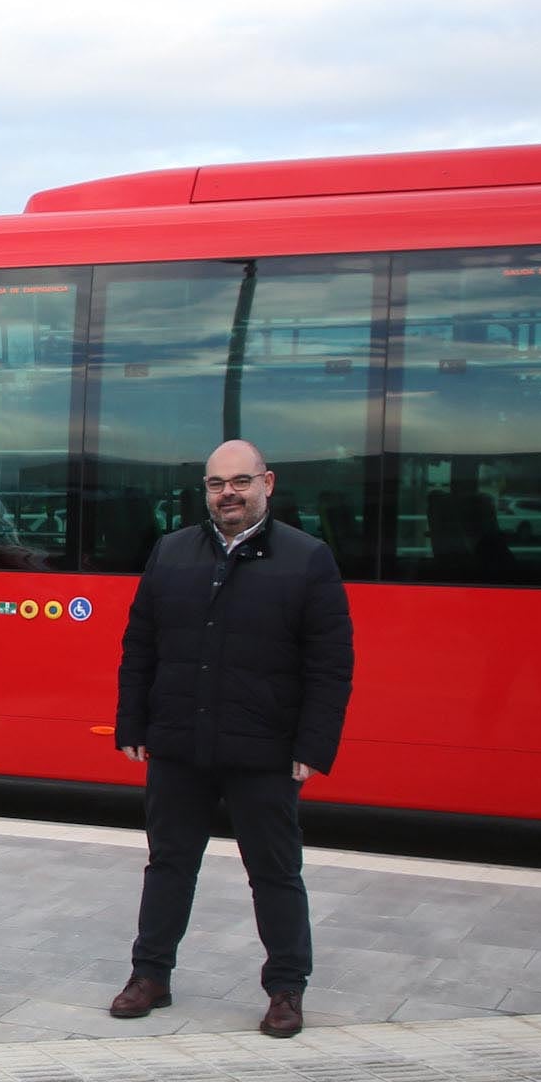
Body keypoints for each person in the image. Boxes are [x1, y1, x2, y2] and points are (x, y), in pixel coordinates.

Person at [112, 439, 354, 1039]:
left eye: (241, 481)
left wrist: (313, 747)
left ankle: (286, 989)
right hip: (179, 746)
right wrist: (132, 725)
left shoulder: (307, 558)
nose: (229, 494)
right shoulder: (171, 553)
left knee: (274, 871)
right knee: (168, 864)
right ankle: (150, 976)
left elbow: (331, 665)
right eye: (217, 484)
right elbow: (139, 645)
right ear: (205, 490)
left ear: (267, 483)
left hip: (265, 750)